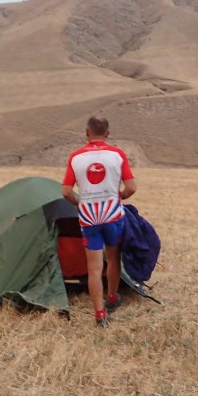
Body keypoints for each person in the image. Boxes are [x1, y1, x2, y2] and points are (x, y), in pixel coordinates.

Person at [62, 116, 137, 327]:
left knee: (93, 268)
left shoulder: (75, 157)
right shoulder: (118, 154)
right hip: (113, 216)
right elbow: (131, 187)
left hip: (89, 219)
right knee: (113, 258)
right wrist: (119, 197)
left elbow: (66, 191)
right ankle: (112, 297)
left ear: (87, 132)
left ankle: (100, 314)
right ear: (108, 133)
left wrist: (79, 203)